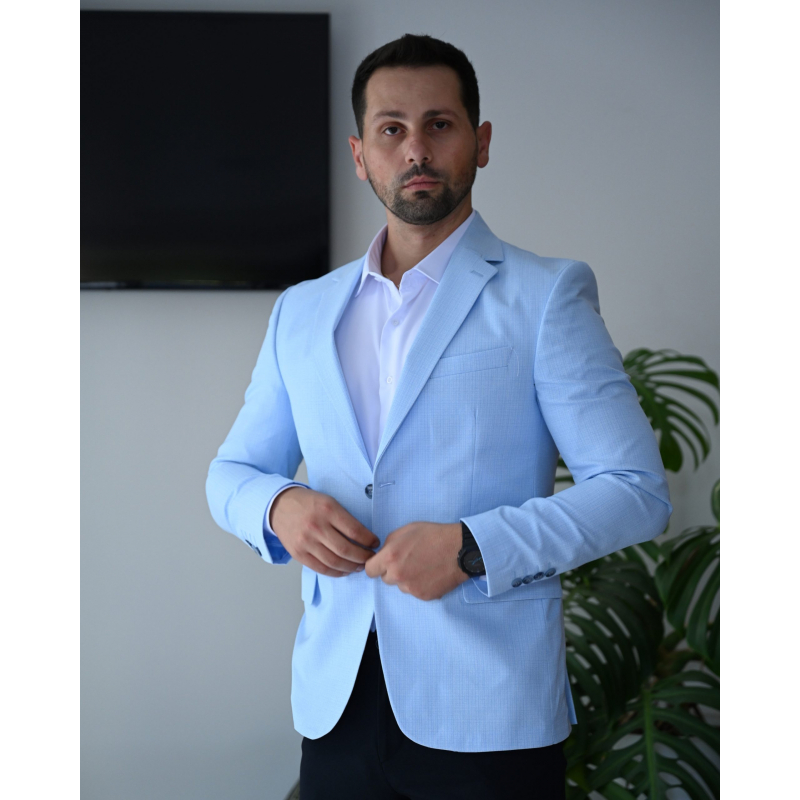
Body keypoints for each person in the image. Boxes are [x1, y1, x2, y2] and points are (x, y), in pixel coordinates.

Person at [206, 33, 672, 800]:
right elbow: (232, 473)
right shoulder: (302, 312)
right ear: (361, 155)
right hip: (336, 708)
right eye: (391, 129)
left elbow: (634, 491)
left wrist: (471, 547)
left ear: (480, 143)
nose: (416, 148)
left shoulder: (545, 296)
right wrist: (278, 505)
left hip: (490, 714)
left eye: (440, 125)